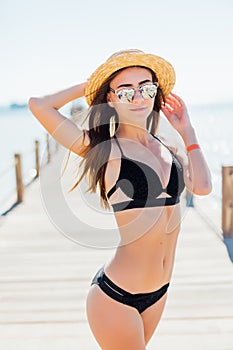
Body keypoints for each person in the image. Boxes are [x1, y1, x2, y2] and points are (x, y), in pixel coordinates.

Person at [29, 49, 212, 349]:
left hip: (160, 290)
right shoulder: (105, 151)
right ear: (111, 99)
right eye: (126, 92)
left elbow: (202, 187)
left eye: (146, 88)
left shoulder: (167, 145)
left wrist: (187, 131)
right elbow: (39, 106)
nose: (139, 97)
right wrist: (89, 85)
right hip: (116, 298)